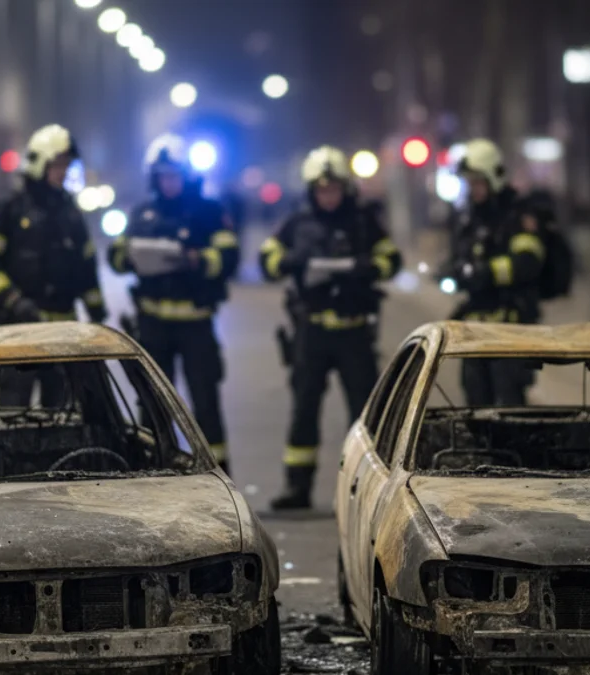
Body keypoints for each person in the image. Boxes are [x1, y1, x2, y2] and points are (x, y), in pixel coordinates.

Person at [259, 145, 402, 510]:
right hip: (312, 332)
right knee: (304, 408)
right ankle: (298, 488)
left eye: (334, 189)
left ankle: (362, 488)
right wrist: (292, 261)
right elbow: (267, 259)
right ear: (311, 191)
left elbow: (392, 258)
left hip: (354, 331)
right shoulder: (298, 222)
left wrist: (366, 267)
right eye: (322, 190)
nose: (328, 196)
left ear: (345, 188)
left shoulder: (363, 221)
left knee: (364, 415)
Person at [107, 134, 239, 473]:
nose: (169, 182)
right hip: (152, 325)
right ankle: (151, 470)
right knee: (150, 404)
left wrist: (196, 259)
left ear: (187, 176)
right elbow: (117, 256)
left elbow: (229, 257)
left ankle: (218, 474)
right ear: (154, 177)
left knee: (205, 401)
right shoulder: (143, 213)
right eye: (163, 176)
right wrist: (130, 256)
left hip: (196, 324)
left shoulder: (209, 212)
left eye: (175, 175)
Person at [0, 124, 106, 408]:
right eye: (57, 165)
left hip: (62, 335)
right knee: (13, 418)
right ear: (39, 164)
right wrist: (12, 300)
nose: (63, 172)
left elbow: (87, 269)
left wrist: (98, 315)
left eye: (66, 165)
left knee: (61, 421)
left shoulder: (71, 213)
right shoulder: (10, 210)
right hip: (19, 330)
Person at [442, 138, 546, 406]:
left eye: (478, 181)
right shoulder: (468, 218)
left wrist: (486, 272)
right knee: (474, 403)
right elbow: (459, 258)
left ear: (494, 177)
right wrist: (452, 271)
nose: (473, 188)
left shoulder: (517, 215)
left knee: (509, 406)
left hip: (510, 328)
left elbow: (528, 262)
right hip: (475, 331)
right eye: (470, 182)